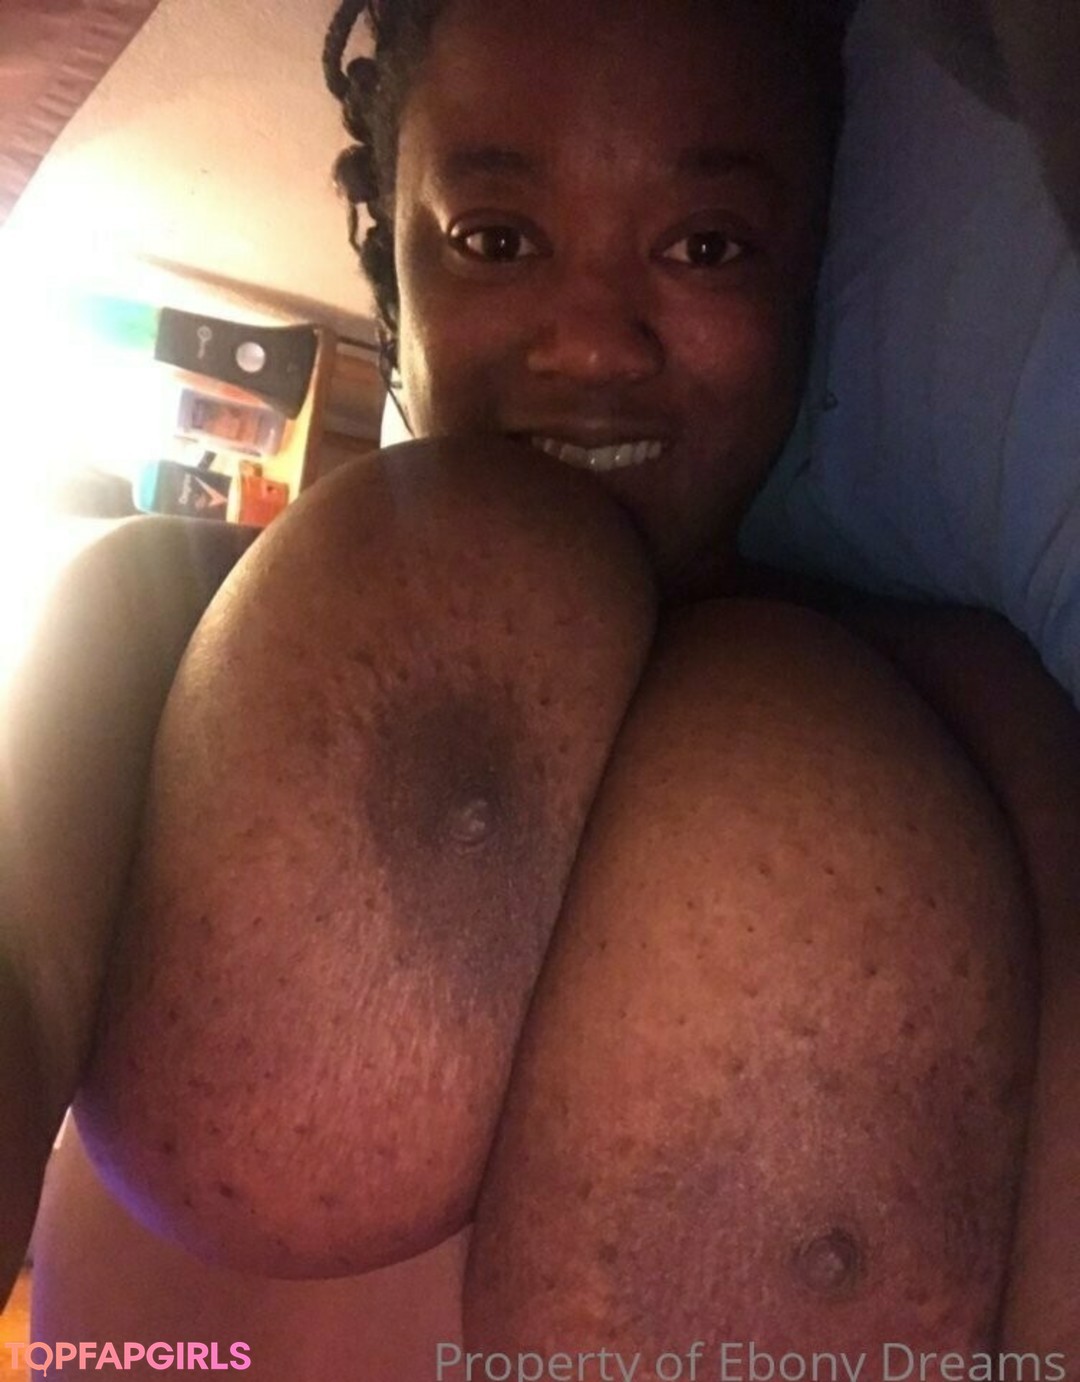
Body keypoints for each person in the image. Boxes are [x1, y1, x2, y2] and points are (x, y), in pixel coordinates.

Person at [4, 0, 1078, 1376]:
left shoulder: (966, 719)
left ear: (808, 278)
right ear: (389, 261)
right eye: (496, 239)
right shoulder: (159, 609)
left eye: (706, 246)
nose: (593, 345)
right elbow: (18, 977)